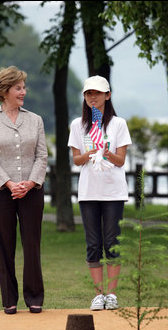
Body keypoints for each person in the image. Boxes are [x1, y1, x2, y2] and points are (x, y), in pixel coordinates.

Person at [0, 66, 48, 314]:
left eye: (23, 87)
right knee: (4, 245)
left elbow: (42, 157)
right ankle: (9, 299)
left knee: (32, 245)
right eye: (18, 88)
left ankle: (34, 296)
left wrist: (29, 183)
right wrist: (9, 183)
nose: (23, 92)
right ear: (5, 90)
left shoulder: (35, 120)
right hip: (0, 191)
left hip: (32, 191)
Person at [68, 75, 132, 310]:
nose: (92, 97)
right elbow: (76, 160)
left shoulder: (118, 124)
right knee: (93, 243)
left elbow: (121, 160)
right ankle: (98, 294)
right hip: (88, 192)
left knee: (112, 242)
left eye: (96, 93)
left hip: (113, 192)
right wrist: (90, 152)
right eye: (88, 94)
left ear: (108, 95)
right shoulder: (78, 125)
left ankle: (112, 294)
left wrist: (106, 152)